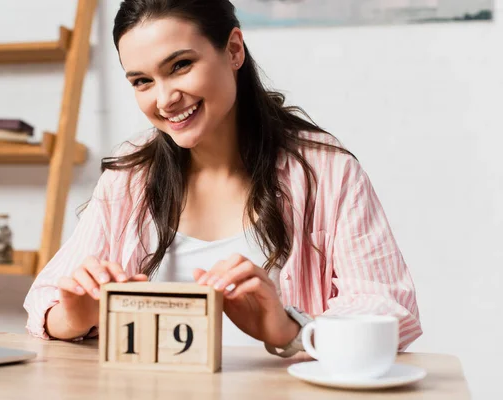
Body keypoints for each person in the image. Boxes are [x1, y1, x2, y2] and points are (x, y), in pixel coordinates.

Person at [23, 0, 422, 356]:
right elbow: (45, 302)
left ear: (233, 50)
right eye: (142, 81)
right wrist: (75, 316)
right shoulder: (129, 177)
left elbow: (390, 312)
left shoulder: (326, 171)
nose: (164, 99)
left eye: (180, 66)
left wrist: (289, 330)